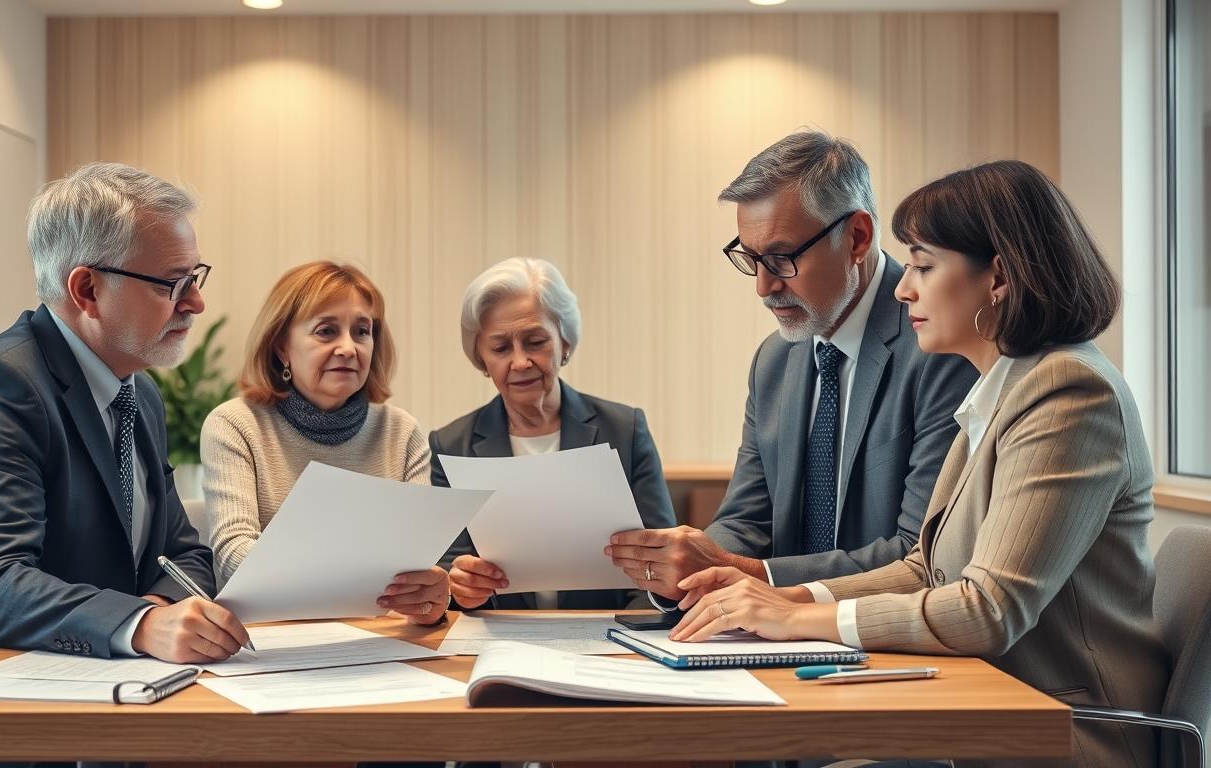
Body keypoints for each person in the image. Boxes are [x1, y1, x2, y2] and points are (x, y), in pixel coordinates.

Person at [671, 160, 1168, 768]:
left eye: (924, 267)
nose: (904, 288)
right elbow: (925, 567)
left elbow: (987, 610)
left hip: (1065, 729)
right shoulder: (1003, 387)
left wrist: (797, 619)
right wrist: (792, 597)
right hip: (987, 708)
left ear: (1000, 278)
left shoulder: (1067, 392)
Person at [0, 162, 250, 686]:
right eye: (173, 284)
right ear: (87, 290)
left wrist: (152, 610)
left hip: (99, 684)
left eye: (194, 278)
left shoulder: (138, 390)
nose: (195, 302)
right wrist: (142, 624)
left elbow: (184, 554)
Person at [607, 130, 977, 599]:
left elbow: (922, 554)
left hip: (891, 638)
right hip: (783, 634)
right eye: (752, 258)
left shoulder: (941, 342)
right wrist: (686, 574)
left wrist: (747, 573)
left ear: (857, 237)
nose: (763, 287)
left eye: (781, 258)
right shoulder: (774, 360)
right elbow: (747, 520)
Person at [202, 261, 448, 624]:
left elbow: (416, 563)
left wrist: (429, 596)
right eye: (326, 331)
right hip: (270, 639)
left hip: (380, 642)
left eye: (362, 331)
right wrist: (360, 578)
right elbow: (235, 556)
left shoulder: (402, 431)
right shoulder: (234, 425)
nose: (349, 348)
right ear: (282, 347)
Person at [432, 257, 676, 610]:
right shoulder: (451, 445)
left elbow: (659, 562)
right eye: (500, 348)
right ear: (481, 359)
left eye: (535, 342)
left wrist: (631, 635)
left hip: (608, 635)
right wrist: (462, 588)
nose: (519, 362)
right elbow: (449, 571)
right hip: (497, 642)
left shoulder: (626, 429)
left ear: (565, 343)